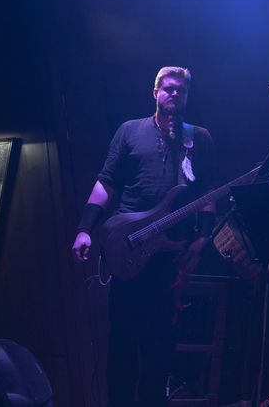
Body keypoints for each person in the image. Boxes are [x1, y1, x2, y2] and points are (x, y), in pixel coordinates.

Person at [71, 66, 219, 406]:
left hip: (168, 256)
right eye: (168, 88)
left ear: (187, 96)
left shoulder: (198, 138)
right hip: (126, 247)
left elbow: (208, 193)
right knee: (122, 342)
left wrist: (203, 237)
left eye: (181, 90)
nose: (174, 94)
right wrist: (84, 229)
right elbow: (106, 183)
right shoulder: (129, 131)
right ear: (155, 93)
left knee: (159, 347)